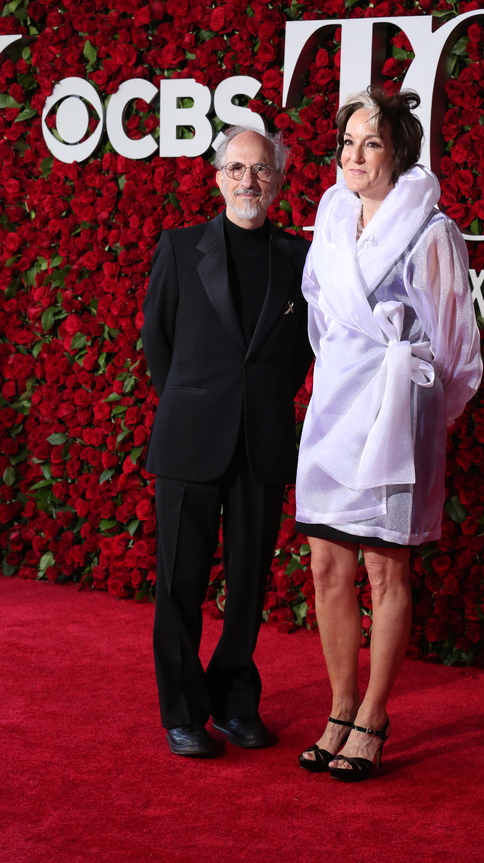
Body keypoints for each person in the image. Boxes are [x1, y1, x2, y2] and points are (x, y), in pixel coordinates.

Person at [295, 87, 482, 781]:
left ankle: (374, 716)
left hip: (395, 417)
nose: (354, 156)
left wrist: (423, 417)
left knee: (383, 567)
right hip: (333, 408)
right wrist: (336, 379)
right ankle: (340, 708)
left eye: (370, 143)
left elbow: (457, 347)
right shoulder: (331, 218)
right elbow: (316, 311)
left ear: (399, 151)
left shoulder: (433, 230)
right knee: (325, 567)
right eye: (347, 143)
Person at [142, 126, 312, 757]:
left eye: (261, 170)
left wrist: (260, 402)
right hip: (190, 439)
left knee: (248, 585)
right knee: (180, 582)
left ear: (278, 180)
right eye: (237, 169)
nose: (249, 181)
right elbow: (158, 342)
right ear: (217, 178)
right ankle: (182, 711)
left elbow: (300, 353)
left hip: (262, 441)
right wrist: (195, 401)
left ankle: (236, 700)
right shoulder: (182, 248)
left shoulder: (299, 258)